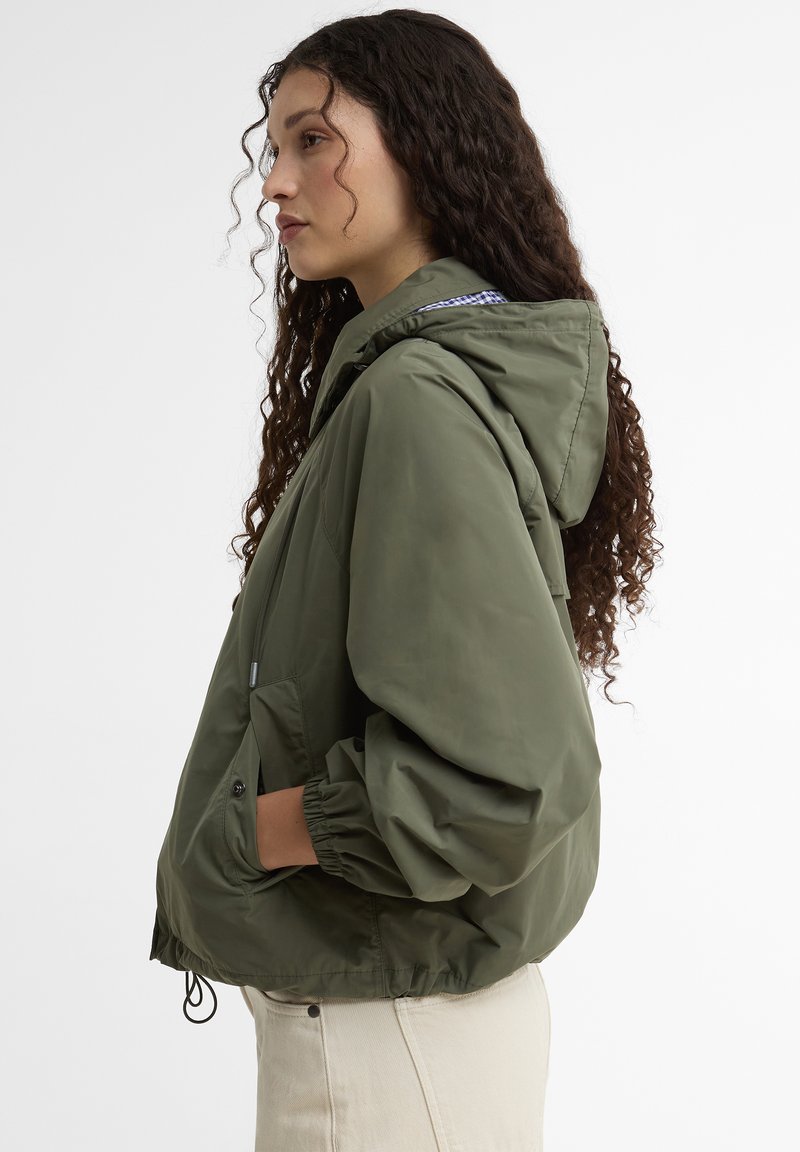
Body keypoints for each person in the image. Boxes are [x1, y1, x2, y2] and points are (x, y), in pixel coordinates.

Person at [149, 9, 660, 1151]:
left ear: (422, 146)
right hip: (408, 1021)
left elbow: (497, 784)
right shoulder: (427, 376)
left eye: (313, 140)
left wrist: (250, 834)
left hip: (388, 1042)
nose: (274, 183)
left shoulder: (417, 397)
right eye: (271, 148)